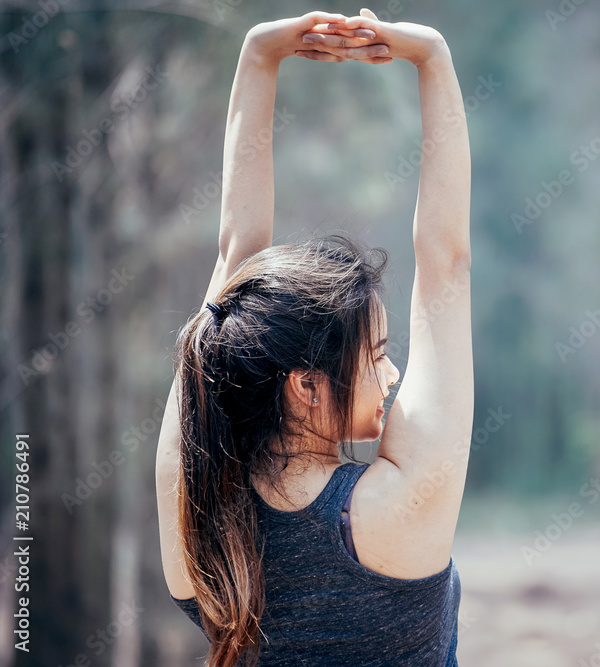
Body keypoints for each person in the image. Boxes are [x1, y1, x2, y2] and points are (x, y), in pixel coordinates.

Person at [154, 9, 472, 666]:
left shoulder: (197, 516)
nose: (392, 376)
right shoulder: (394, 508)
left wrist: (257, 57)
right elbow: (445, 268)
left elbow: (234, 255)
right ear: (305, 385)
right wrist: (433, 59)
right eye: (378, 356)